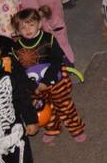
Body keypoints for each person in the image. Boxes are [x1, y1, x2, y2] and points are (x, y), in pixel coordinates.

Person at [10, 7, 86, 144]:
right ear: (17, 30)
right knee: (44, 107)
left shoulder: (48, 39)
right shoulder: (16, 48)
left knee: (64, 106)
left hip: (55, 80)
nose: (27, 30)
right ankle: (52, 127)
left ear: (39, 24)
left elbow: (57, 60)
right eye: (23, 27)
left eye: (31, 25)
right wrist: (32, 86)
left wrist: (46, 81)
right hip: (34, 85)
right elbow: (18, 72)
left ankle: (76, 127)